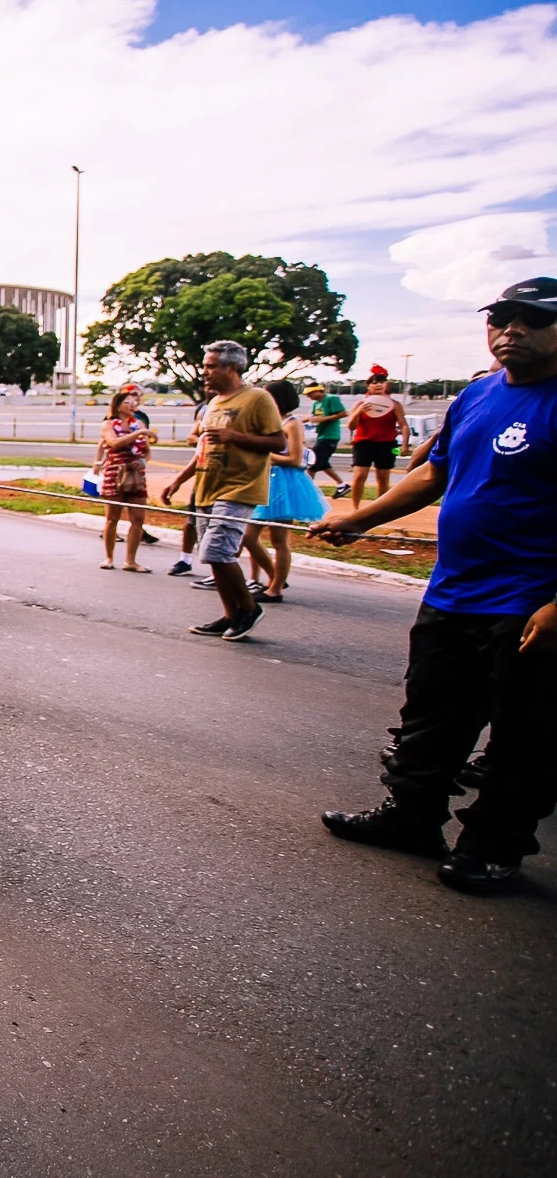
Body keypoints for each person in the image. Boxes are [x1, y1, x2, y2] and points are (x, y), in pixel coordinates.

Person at [316, 277, 557, 893]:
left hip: (530, 603)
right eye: (501, 319)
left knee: (525, 732)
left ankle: (493, 844)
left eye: (531, 319)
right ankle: (412, 817)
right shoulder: (476, 397)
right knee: (430, 714)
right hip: (453, 592)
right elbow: (431, 478)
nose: (511, 331)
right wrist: (356, 518)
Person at [167, 343, 285, 638]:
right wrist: (179, 480)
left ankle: (249, 608)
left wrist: (235, 436)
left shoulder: (257, 398)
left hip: (239, 487)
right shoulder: (214, 403)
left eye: (211, 367)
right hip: (207, 486)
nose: (204, 373)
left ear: (232, 367)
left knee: (217, 551)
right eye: (205, 366)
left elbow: (278, 443)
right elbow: (203, 449)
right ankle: (231, 614)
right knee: (211, 555)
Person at [244, 379, 326, 605]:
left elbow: (295, 459)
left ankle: (276, 587)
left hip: (283, 483)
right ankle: (274, 578)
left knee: (279, 539)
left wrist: (264, 455)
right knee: (248, 536)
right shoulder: (269, 421)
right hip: (264, 480)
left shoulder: (292, 424)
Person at [98, 386, 153, 572]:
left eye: (134, 402)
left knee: (138, 518)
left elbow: (147, 451)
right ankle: (109, 557)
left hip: (136, 474)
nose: (132, 405)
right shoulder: (108, 425)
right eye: (127, 402)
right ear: (118, 405)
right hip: (115, 472)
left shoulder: (139, 424)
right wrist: (138, 434)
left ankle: (131, 560)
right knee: (112, 518)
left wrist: (143, 461)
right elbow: (114, 443)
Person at [346, 366, 409, 509]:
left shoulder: (394, 404)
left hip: (386, 444)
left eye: (382, 382)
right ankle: (355, 508)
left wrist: (405, 444)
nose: (379, 385)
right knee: (359, 476)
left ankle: (378, 509)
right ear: (368, 386)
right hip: (363, 443)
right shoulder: (360, 404)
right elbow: (351, 426)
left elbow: (403, 425)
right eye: (374, 382)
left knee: (382, 479)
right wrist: (359, 412)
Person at [304, 381, 350, 497]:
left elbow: (343, 413)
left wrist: (325, 419)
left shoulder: (331, 399)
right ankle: (342, 485)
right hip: (321, 435)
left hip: (330, 436)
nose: (308, 397)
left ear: (318, 391)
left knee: (312, 463)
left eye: (310, 393)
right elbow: (311, 417)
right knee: (323, 463)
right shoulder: (315, 404)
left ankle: (307, 490)